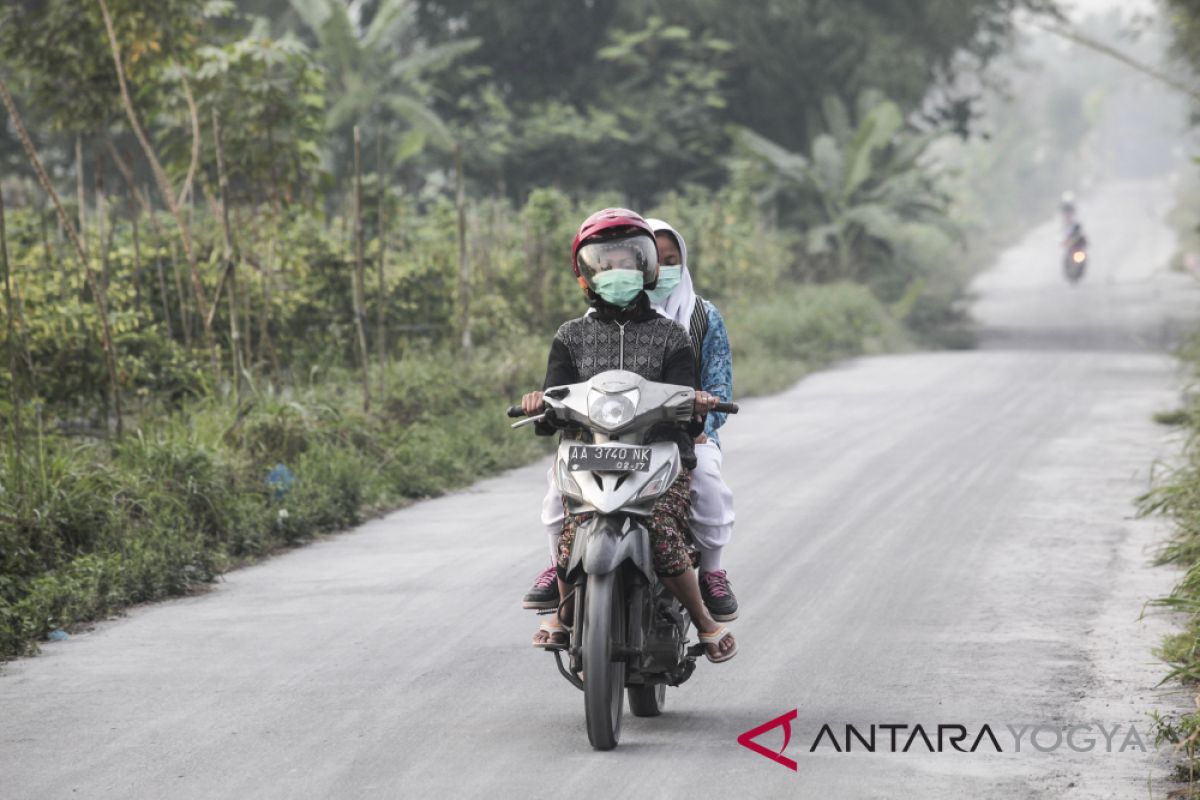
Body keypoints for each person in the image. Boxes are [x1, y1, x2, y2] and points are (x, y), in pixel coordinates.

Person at [521, 208, 736, 663]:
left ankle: (704, 622)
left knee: (660, 529)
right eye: (606, 265)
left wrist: (695, 405)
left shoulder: (672, 335)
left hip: (658, 455)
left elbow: (688, 407)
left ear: (647, 269)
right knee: (569, 524)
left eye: (628, 263)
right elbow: (556, 397)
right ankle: (560, 615)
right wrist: (541, 405)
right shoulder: (570, 335)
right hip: (590, 454)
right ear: (587, 275)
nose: (618, 273)